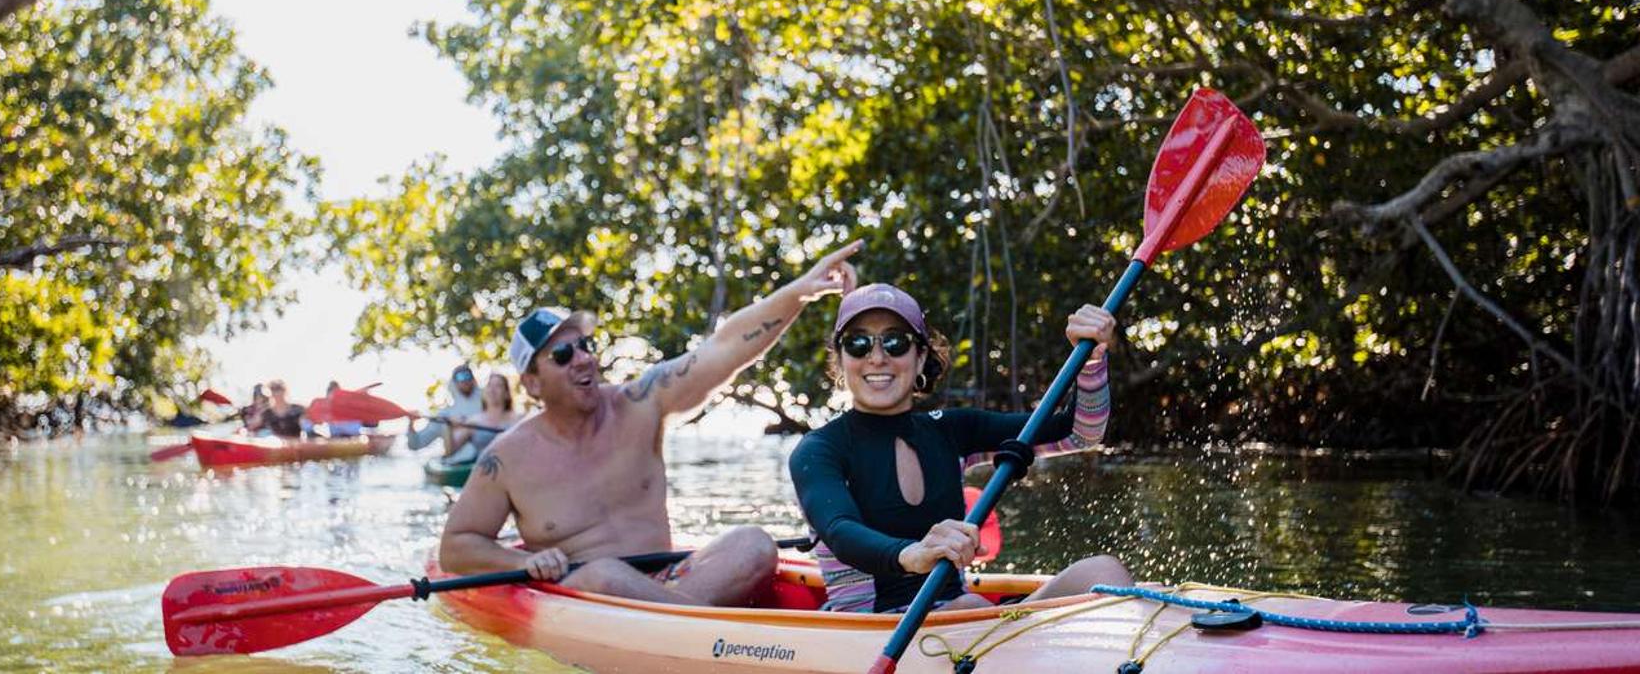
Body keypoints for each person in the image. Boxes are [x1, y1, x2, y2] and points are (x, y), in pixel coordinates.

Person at [437, 241, 864, 605]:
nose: (584, 357)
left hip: (670, 580)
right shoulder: (506, 458)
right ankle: (708, 634)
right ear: (531, 383)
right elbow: (456, 546)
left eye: (585, 345)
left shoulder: (641, 402)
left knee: (754, 543)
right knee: (606, 574)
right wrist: (522, 562)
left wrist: (800, 292)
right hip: (583, 593)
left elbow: (724, 347)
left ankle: (692, 628)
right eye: (563, 355)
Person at [789, 283, 1131, 613]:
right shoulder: (819, 450)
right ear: (840, 360)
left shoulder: (952, 430)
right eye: (858, 343)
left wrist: (1091, 360)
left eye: (895, 342)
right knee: (970, 605)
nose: (877, 358)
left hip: (963, 619)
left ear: (921, 356)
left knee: (1103, 571)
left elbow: (1081, 432)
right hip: (867, 631)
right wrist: (913, 553)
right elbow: (840, 532)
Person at [408, 363, 484, 459]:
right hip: (459, 464)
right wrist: (411, 423)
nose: (465, 380)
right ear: (454, 382)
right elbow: (415, 445)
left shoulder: (489, 406)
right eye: (460, 377)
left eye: (468, 376)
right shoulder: (444, 416)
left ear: (474, 379)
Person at [244, 379, 308, 439]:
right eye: (273, 389)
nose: (277, 393)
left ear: (285, 391)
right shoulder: (266, 413)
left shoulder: (298, 409)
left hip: (296, 447)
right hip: (275, 447)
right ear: (269, 393)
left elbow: (309, 427)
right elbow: (249, 427)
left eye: (279, 389)